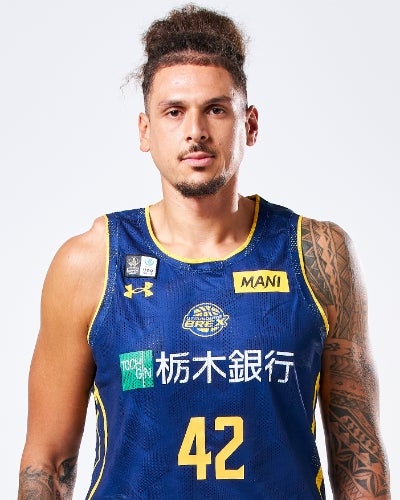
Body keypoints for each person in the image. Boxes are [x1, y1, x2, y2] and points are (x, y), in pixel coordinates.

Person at [18, 4, 391, 499]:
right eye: (174, 112)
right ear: (145, 130)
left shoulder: (316, 253)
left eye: (216, 109)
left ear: (249, 124)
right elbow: (46, 462)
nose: (195, 130)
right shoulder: (90, 263)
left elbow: (359, 455)